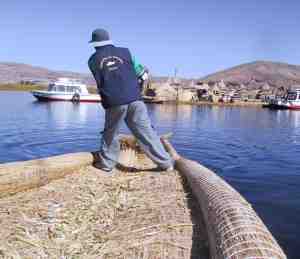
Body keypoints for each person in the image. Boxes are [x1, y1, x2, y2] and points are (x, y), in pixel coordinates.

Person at [88, 28, 174, 174]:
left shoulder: (92, 60)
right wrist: (136, 89)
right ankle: (166, 164)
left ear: (95, 44)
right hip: (135, 99)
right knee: (146, 132)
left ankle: (107, 164)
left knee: (111, 133)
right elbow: (143, 74)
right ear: (109, 40)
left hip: (114, 101)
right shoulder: (126, 52)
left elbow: (103, 79)